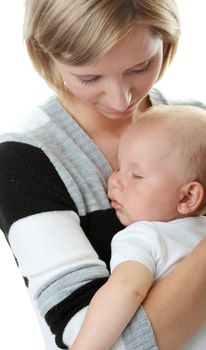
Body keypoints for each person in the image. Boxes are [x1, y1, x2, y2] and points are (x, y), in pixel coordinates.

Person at [0, 1, 206, 349]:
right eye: (89, 77)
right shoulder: (26, 159)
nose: (121, 99)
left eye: (141, 66)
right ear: (45, 56)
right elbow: (108, 343)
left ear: (167, 40)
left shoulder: (197, 122)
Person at [70, 105, 206, 350]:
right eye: (119, 167)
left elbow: (126, 288)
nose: (114, 180)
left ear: (187, 197)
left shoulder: (144, 237)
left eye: (136, 175)